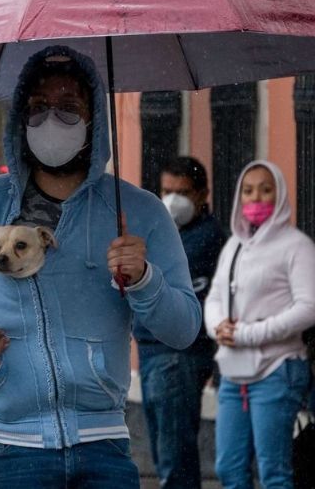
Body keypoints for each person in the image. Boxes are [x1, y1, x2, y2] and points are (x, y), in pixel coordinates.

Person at [0, 46, 201, 488]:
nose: (52, 120)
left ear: (95, 119)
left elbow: (184, 329)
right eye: (38, 108)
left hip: (104, 449)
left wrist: (147, 280)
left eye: (69, 107)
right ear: (20, 118)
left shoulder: (140, 213)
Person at [204, 160, 315, 489]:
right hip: (233, 374)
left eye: (266, 190)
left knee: (274, 472)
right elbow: (214, 297)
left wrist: (249, 334)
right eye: (248, 191)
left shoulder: (297, 247)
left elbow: (308, 308)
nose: (256, 198)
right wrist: (218, 328)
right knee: (229, 468)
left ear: (280, 195)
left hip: (276, 371)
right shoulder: (234, 245)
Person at [134, 156, 225, 488]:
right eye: (166, 190)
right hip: (151, 350)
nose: (171, 200)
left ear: (202, 195)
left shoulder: (205, 238)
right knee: (164, 449)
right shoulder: (164, 233)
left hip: (177, 353)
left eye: (182, 192)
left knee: (175, 456)